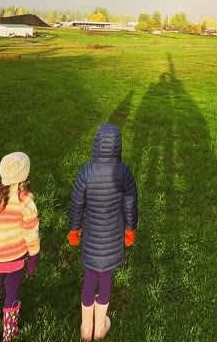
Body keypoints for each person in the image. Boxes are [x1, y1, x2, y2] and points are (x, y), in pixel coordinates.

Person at [68, 123, 138, 340]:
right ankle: (100, 328)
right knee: (105, 279)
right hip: (112, 238)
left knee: (90, 278)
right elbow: (130, 204)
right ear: (118, 146)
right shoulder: (123, 172)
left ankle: (85, 328)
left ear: (96, 144)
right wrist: (130, 230)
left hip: (90, 239)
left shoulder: (86, 171)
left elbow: (77, 203)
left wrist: (74, 229)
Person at [0, 152, 40, 340]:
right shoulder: (25, 201)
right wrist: (33, 256)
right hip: (16, 257)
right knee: (12, 291)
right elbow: (31, 232)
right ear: (25, 175)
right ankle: (9, 332)